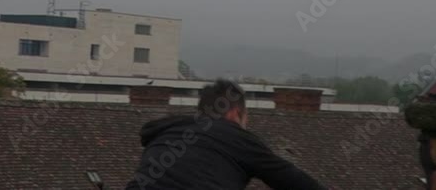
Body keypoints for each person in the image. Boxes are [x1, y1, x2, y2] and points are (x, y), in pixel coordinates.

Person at [124, 79, 328, 189]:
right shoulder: (237, 138)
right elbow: (294, 181)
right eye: (245, 117)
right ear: (234, 113)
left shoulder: (164, 133)